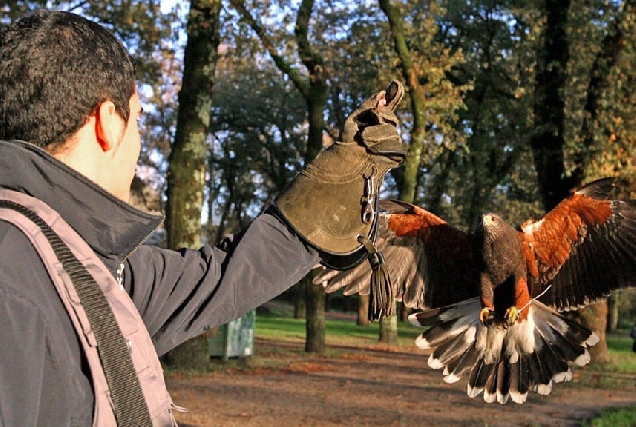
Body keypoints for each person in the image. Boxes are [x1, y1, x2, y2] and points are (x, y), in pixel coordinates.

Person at [0, 9, 405, 427]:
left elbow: (220, 277)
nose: (138, 144)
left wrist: (334, 184)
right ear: (106, 122)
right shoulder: (12, 284)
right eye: (136, 118)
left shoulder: (83, 265)